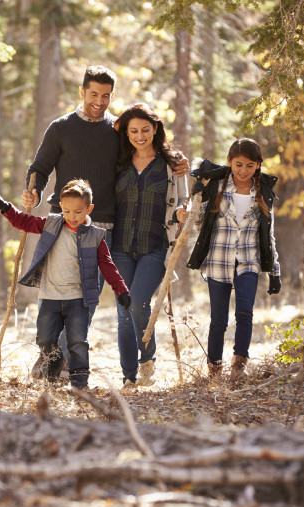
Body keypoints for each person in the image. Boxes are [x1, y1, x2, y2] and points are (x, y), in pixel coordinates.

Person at [21, 65, 188, 380]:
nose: (99, 101)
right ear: (82, 92)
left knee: (87, 299)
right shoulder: (60, 128)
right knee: (57, 295)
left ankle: (57, 363)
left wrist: (178, 162)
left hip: (104, 231)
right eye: (94, 94)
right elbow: (40, 168)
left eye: (106, 95)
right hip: (63, 225)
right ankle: (50, 356)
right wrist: (33, 190)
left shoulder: (117, 130)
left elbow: (147, 152)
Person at [0, 179, 131, 390]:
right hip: (50, 297)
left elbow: (107, 265)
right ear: (61, 208)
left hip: (78, 300)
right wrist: (5, 207)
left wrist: (121, 289)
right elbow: (24, 222)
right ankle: (54, 361)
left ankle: (80, 383)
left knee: (77, 342)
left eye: (78, 212)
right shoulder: (52, 224)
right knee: (44, 339)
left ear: (89, 209)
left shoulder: (95, 236)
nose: (72, 217)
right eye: (67, 211)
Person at [180, 138, 282, 380]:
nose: (243, 171)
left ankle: (239, 363)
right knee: (218, 319)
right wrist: (184, 214)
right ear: (229, 162)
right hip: (218, 261)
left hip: (249, 261)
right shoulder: (216, 187)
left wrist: (275, 271)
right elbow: (198, 220)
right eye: (238, 165)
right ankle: (214, 367)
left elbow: (269, 235)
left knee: (245, 312)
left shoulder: (263, 193)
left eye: (249, 165)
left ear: (258, 165)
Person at [111, 103, 188, 389]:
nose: (140, 135)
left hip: (155, 246)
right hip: (119, 246)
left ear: (155, 129)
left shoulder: (172, 164)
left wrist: (183, 211)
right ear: (127, 133)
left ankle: (147, 359)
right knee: (123, 311)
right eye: (134, 131)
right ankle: (128, 376)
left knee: (139, 302)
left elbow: (184, 199)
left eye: (145, 129)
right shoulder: (118, 161)